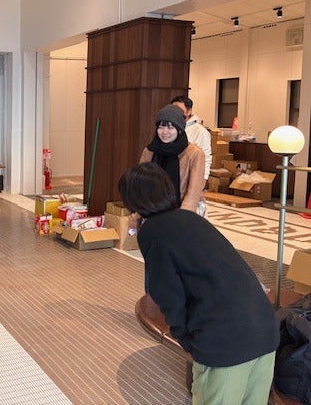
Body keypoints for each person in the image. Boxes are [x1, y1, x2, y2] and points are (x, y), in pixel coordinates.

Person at [118, 162, 279, 405]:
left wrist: (189, 342)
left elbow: (167, 295)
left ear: (132, 199)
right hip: (264, 328)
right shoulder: (190, 218)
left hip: (226, 341)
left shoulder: (153, 231)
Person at [139, 104, 205, 213]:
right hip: (153, 207)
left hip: (184, 210)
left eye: (170, 127)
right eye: (161, 127)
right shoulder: (150, 151)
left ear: (179, 129)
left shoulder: (194, 154)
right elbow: (141, 184)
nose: (165, 132)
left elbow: (193, 193)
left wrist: (181, 217)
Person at [170, 95, 212, 181]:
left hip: (190, 177)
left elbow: (206, 158)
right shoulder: (170, 129)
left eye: (178, 109)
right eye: (172, 109)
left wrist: (202, 180)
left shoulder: (200, 131)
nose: (175, 112)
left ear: (189, 111)